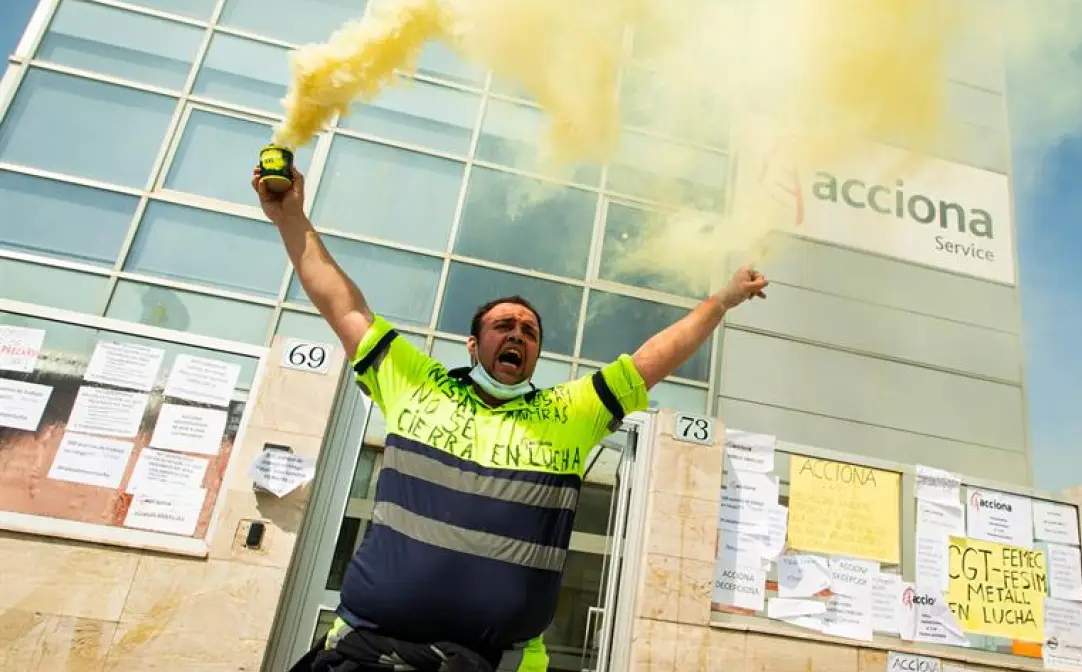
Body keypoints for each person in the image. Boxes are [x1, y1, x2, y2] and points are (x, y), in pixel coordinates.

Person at [253, 165, 768, 672]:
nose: (518, 334)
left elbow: (651, 360)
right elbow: (343, 307)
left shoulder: (568, 413)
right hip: (370, 652)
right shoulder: (416, 383)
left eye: (530, 331)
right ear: (473, 344)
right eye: (504, 325)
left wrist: (722, 301)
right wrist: (291, 219)